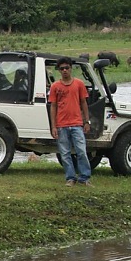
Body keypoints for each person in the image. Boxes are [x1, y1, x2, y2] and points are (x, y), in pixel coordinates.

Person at [49, 57, 92, 187]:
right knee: (65, 153)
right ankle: (70, 178)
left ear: (71, 69)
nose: (65, 71)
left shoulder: (79, 84)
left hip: (77, 124)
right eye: (62, 69)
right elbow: (53, 106)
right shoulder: (55, 86)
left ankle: (84, 178)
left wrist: (86, 121)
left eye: (67, 68)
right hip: (61, 125)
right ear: (59, 71)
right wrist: (53, 126)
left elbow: (84, 103)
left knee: (81, 151)